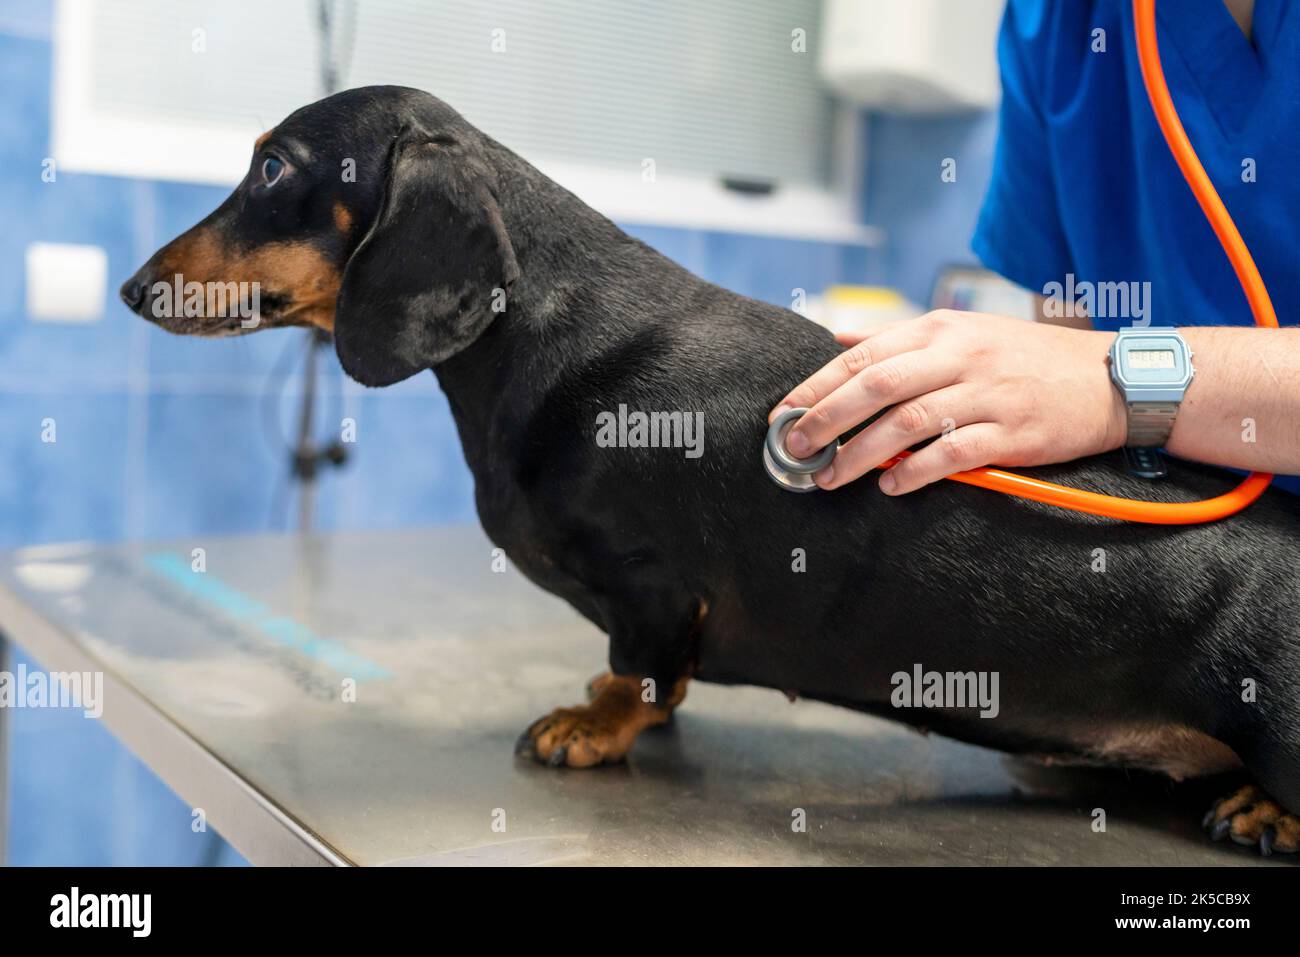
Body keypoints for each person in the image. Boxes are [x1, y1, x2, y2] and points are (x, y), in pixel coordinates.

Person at [771, 0, 1300, 498]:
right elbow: (1060, 352)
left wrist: (1114, 383)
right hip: (1167, 507)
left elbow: (1080, 370)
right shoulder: (1052, 20)